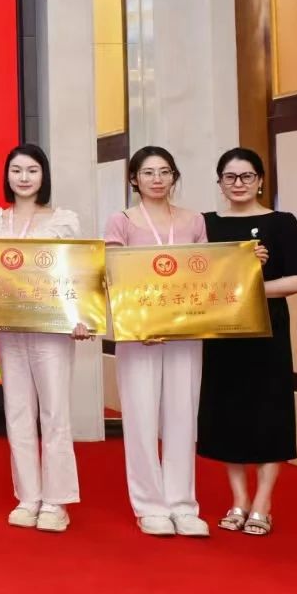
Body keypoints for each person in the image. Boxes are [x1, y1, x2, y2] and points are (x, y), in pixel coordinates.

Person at [0, 143, 90, 533]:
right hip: (8, 330)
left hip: (51, 330)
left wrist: (81, 317)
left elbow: (77, 274)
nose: (23, 178)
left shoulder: (63, 221)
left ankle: (56, 501)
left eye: (32, 170)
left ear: (44, 176)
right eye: (16, 170)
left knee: (55, 413)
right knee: (18, 412)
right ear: (7, 176)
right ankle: (28, 496)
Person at [199, 147, 297, 537]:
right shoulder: (206, 225)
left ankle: (263, 502)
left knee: (269, 412)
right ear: (220, 183)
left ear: (260, 180)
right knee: (227, 414)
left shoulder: (282, 223)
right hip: (222, 333)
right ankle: (239, 499)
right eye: (230, 177)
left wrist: (248, 284)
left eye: (247, 176)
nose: (239, 184)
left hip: (268, 331)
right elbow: (197, 279)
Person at [104, 145, 209, 538]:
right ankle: (149, 505)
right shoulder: (122, 221)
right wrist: (139, 323)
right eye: (148, 172)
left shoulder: (194, 220)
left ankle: (183, 504)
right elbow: (115, 277)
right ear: (134, 179)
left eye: (165, 172)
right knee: (141, 416)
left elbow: (205, 273)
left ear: (174, 176)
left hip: (185, 329)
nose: (157, 179)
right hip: (139, 333)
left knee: (183, 415)